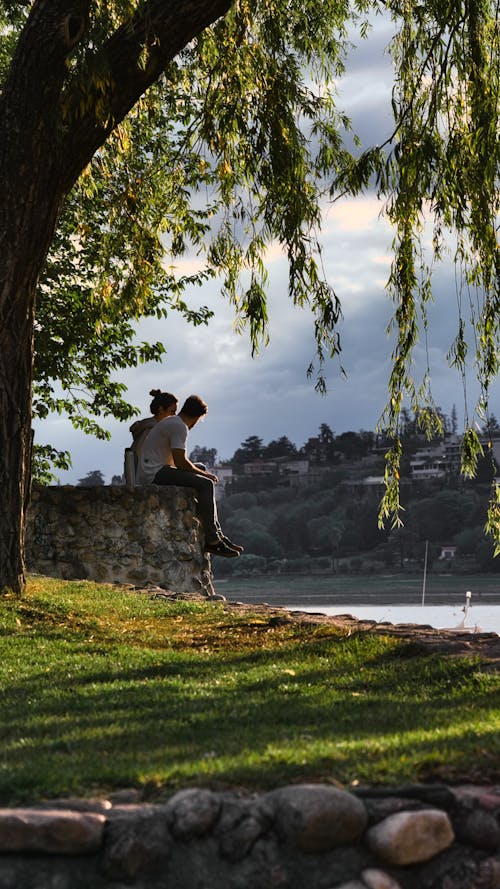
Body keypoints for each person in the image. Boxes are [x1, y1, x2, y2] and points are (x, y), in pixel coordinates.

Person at [136, 394, 243, 558]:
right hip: (154, 473)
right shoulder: (180, 426)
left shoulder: (172, 422)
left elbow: (179, 461)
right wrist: (205, 475)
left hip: (155, 470)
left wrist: (200, 471)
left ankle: (218, 534)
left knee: (200, 468)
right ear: (197, 417)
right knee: (206, 483)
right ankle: (213, 540)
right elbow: (180, 462)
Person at [129, 389, 178, 470]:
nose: (174, 415)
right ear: (161, 409)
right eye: (172, 411)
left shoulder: (153, 427)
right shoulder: (151, 430)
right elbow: (141, 456)